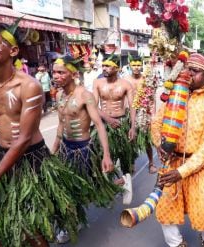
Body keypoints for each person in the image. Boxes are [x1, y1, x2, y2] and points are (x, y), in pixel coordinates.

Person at [0, 20, 84, 246]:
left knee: (33, 231)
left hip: (32, 159)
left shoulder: (29, 86)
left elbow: (24, 138)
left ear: (13, 51)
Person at [152, 53, 204, 247]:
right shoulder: (176, 95)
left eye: (195, 72)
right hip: (172, 163)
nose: (189, 74)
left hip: (200, 168)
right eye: (188, 69)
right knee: (165, 210)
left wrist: (182, 172)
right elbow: (156, 123)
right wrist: (159, 145)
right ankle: (176, 244)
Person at [50, 55, 120, 243]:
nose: (55, 76)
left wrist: (106, 155)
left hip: (83, 150)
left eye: (60, 72)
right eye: (54, 72)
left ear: (73, 74)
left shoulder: (85, 95)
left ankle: (119, 183)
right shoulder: (58, 96)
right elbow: (60, 125)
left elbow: (99, 125)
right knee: (66, 188)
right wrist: (53, 150)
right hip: (65, 148)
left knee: (90, 189)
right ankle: (69, 223)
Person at [92, 55, 137, 205]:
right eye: (103, 65)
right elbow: (93, 105)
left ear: (116, 68)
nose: (104, 68)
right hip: (104, 124)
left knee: (124, 157)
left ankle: (125, 181)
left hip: (121, 123)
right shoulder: (98, 83)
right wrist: (108, 119)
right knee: (102, 156)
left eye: (108, 65)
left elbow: (132, 107)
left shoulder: (126, 85)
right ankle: (111, 185)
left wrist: (132, 127)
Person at [124, 56, 158, 174]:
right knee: (131, 138)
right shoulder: (125, 79)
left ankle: (151, 163)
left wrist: (153, 113)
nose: (136, 68)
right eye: (134, 65)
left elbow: (152, 97)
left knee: (147, 140)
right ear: (130, 65)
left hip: (145, 112)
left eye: (138, 65)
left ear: (142, 65)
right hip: (130, 112)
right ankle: (131, 162)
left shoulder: (146, 79)